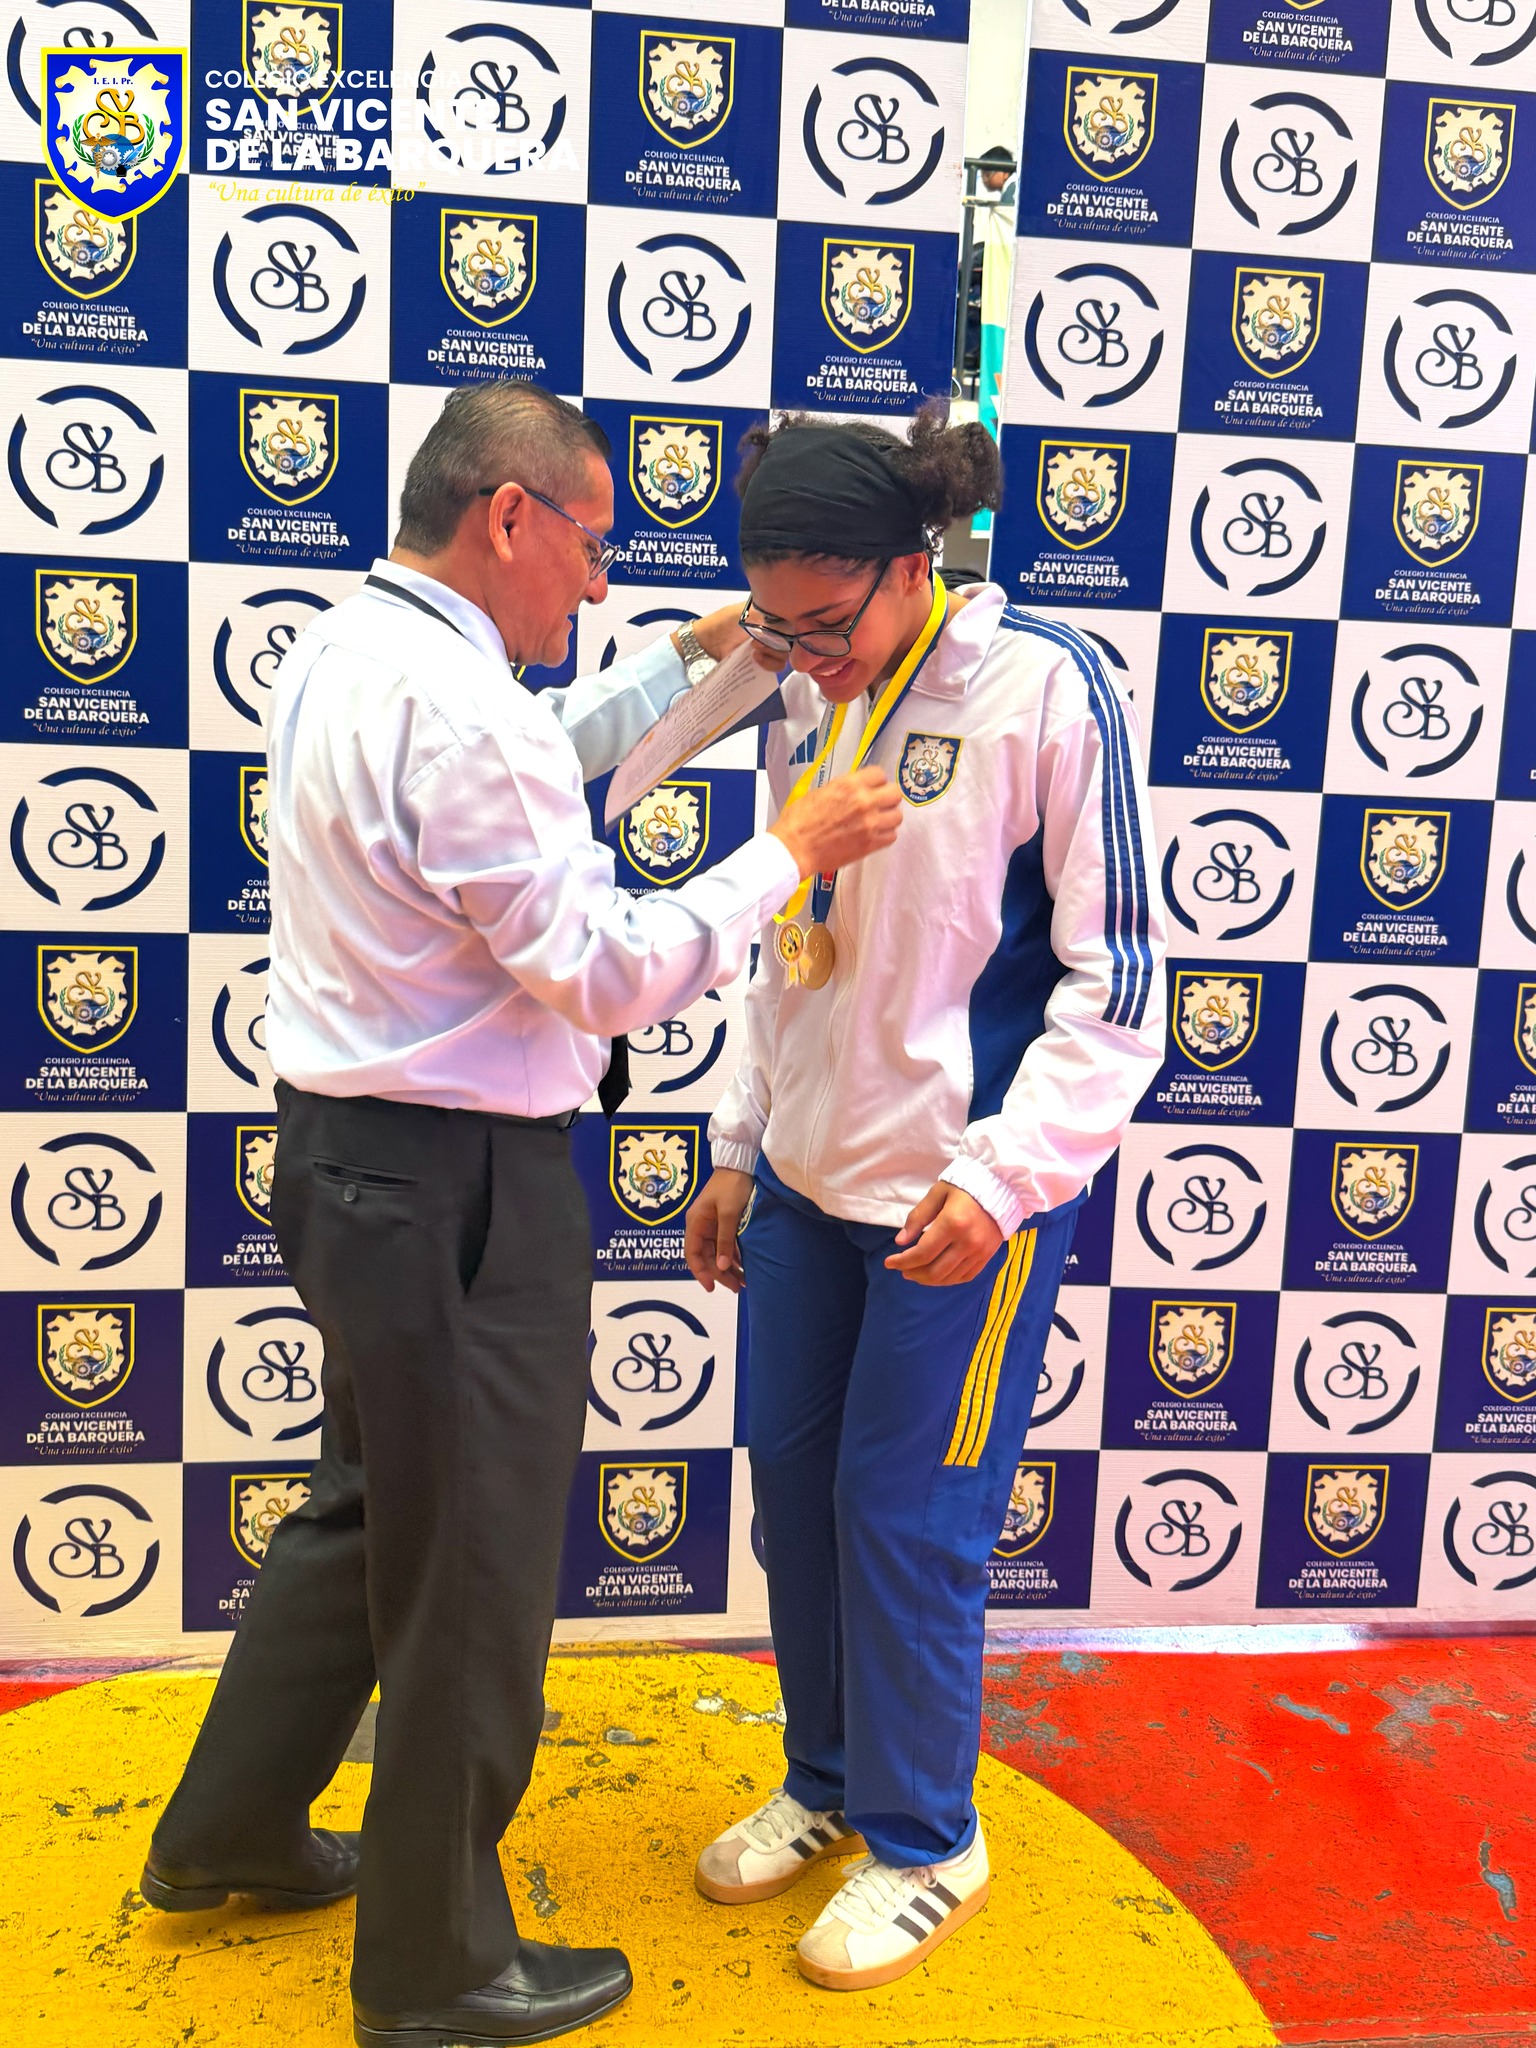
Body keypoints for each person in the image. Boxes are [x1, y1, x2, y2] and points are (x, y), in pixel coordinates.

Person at [140, 383, 903, 2048]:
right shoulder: (463, 709)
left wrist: (694, 665)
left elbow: (534, 777)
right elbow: (604, 965)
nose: (601, 578)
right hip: (458, 1191)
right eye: (592, 540)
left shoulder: (355, 649)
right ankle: (437, 1967)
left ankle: (230, 1831)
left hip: (350, 1165)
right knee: (471, 1569)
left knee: (368, 1518)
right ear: (509, 517)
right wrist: (786, 853)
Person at [683, 408, 1166, 1991]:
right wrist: (741, 1145)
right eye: (776, 625)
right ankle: (827, 1780)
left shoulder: (1044, 686)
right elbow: (789, 951)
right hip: (805, 1186)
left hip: (958, 1205)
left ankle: (927, 1838)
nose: (802, 656)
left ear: (915, 569)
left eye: (824, 623)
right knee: (794, 1494)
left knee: (907, 1517)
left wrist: (1006, 1177)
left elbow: (1121, 981)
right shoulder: (810, 692)